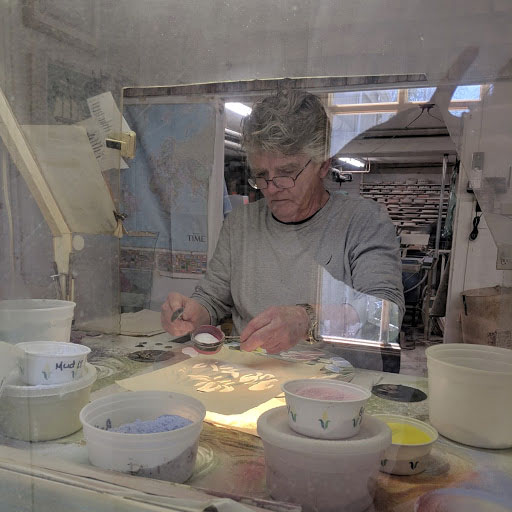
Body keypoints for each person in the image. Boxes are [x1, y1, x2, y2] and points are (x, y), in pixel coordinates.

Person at [162, 89, 404, 359]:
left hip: (336, 383)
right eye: (262, 175)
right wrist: (192, 314)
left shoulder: (364, 222)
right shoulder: (241, 224)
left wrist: (308, 321)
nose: (272, 188)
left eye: (287, 173)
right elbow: (212, 298)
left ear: (324, 165)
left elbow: (387, 315)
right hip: (252, 376)